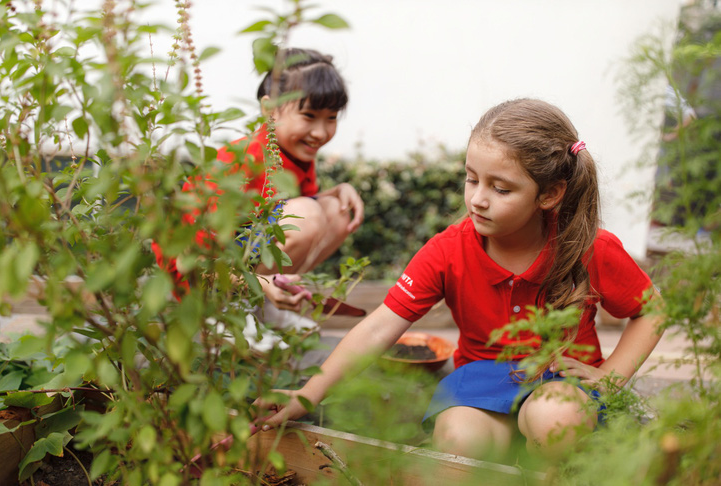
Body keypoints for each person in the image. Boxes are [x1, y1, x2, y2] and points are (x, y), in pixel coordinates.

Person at [255, 98, 664, 461]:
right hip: (481, 380)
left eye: (500, 188)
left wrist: (612, 374)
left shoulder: (587, 246)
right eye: (472, 179)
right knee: (457, 441)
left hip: (563, 384)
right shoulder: (448, 250)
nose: (477, 199)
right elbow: (381, 325)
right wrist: (308, 394)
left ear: (550, 194)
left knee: (554, 420)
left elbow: (652, 312)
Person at [153, 48, 364, 317]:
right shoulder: (241, 162)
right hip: (196, 278)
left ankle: (262, 307)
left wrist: (339, 190)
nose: (321, 133)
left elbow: (297, 207)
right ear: (269, 109)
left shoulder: (294, 153)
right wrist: (259, 282)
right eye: (309, 116)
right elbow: (189, 261)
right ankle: (233, 313)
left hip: (239, 263)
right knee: (308, 216)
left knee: (337, 211)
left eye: (331, 118)